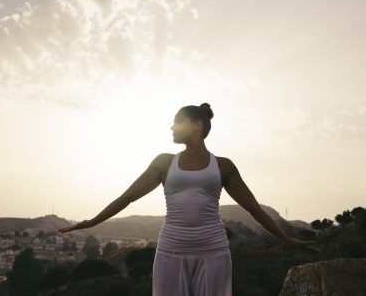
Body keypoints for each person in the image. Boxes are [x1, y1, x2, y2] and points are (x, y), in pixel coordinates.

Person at [58, 103, 318, 296]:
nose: (171, 127)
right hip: (172, 251)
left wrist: (285, 238)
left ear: (197, 125)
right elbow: (127, 198)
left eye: (177, 121)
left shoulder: (223, 166)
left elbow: (252, 207)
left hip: (213, 251)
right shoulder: (164, 162)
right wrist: (91, 222)